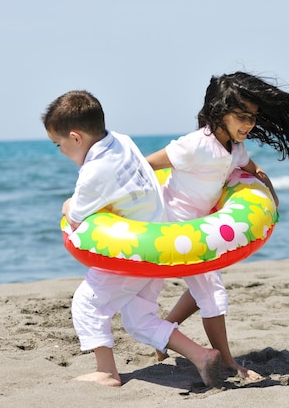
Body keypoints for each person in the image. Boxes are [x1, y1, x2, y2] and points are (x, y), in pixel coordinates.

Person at [146, 71, 289, 380]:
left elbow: (254, 168)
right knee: (213, 294)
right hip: (173, 228)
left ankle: (169, 329)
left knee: (202, 290)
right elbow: (146, 165)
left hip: (198, 227)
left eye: (253, 117)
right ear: (219, 112)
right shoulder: (195, 145)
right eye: (242, 116)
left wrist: (271, 193)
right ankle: (229, 363)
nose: (249, 124)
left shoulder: (234, 148)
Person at [42, 90, 222, 387]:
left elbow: (75, 216)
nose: (60, 151)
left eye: (58, 144)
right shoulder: (121, 140)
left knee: (87, 303)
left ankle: (107, 372)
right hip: (156, 244)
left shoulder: (94, 172)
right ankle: (202, 356)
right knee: (138, 318)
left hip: (133, 255)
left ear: (75, 138)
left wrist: (66, 204)